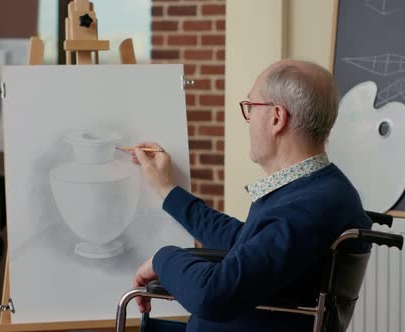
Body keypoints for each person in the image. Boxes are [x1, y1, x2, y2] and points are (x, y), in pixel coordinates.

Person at [129, 59, 372, 331]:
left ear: (276, 118)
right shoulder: (318, 192)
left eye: (251, 107)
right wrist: (168, 191)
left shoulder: (306, 209)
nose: (248, 119)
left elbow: (214, 295)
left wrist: (164, 259)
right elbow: (243, 243)